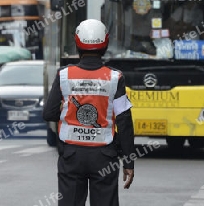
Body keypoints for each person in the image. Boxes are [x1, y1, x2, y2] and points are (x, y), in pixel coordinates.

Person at [43, 19, 135, 206]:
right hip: (104, 156)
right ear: (106, 43)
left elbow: (49, 113)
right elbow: (124, 122)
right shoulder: (115, 78)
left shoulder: (64, 75)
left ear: (77, 43)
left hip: (71, 156)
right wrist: (128, 162)